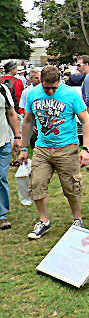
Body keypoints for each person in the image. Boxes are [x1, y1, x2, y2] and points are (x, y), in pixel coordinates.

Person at [20, 65, 89, 239]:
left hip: (67, 148)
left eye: (54, 87)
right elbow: (28, 121)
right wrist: (23, 147)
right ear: (40, 81)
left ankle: (77, 219)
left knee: (71, 186)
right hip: (42, 148)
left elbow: (86, 121)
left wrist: (86, 148)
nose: (50, 91)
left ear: (60, 81)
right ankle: (44, 221)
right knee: (37, 184)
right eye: (46, 87)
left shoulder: (71, 94)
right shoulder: (33, 94)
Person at [0, 83, 22, 230]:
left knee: (1, 178)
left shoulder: (3, 89)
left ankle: (2, 216)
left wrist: (17, 136)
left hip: (4, 141)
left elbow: (11, 113)